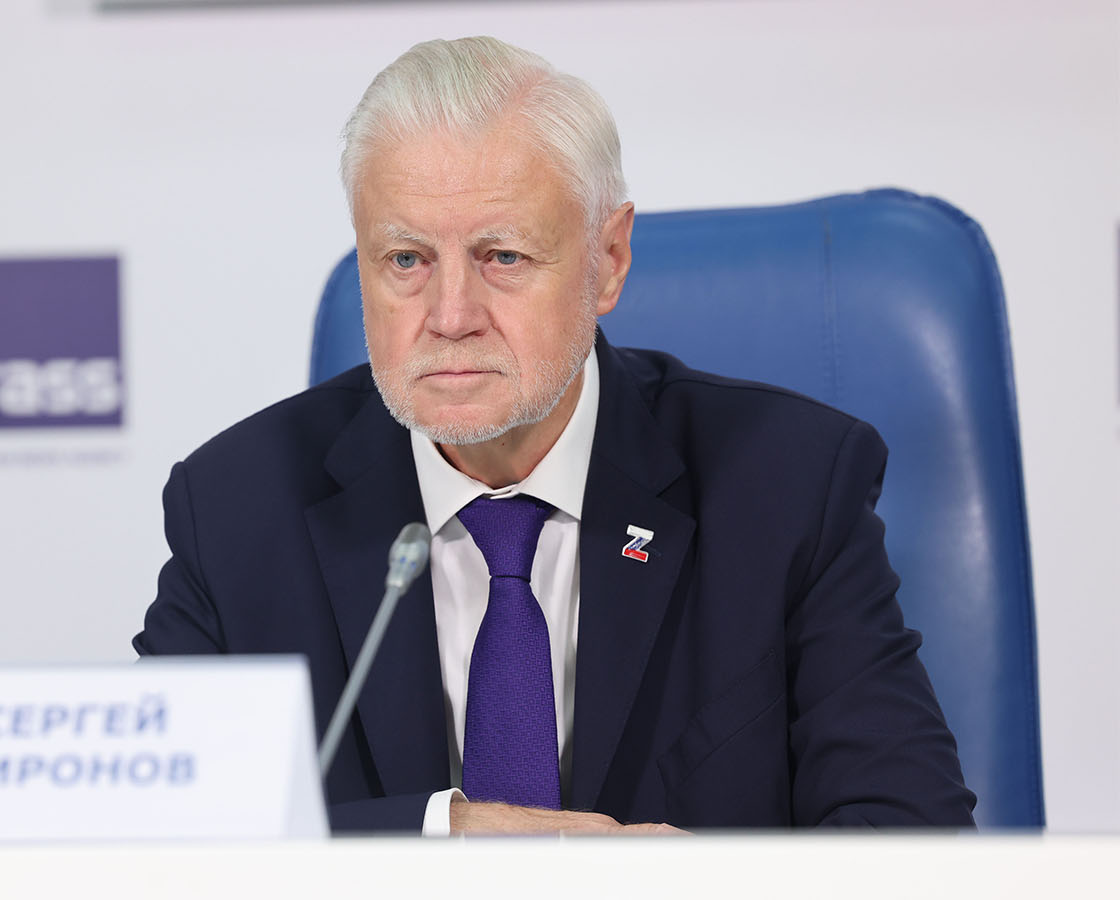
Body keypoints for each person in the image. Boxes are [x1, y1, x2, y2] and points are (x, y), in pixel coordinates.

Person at [134, 36, 975, 835]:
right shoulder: (238, 511)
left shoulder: (788, 487)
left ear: (609, 260)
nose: (450, 316)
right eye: (406, 260)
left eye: (502, 257)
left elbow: (915, 840)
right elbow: (145, 836)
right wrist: (445, 833)